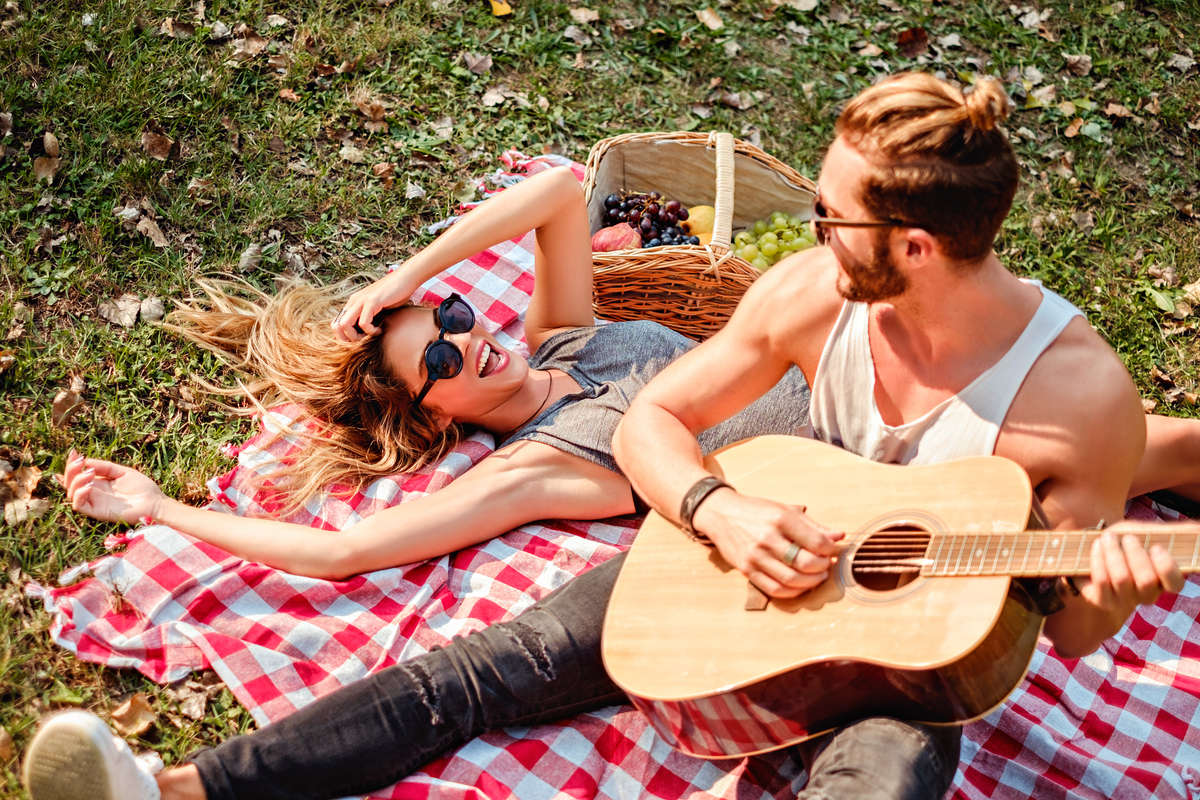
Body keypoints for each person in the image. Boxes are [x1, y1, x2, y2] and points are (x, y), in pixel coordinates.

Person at [22, 74, 1198, 800]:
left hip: (914, 637)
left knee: (884, 778)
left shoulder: (1078, 397)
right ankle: (175, 788)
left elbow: (1073, 625)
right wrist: (721, 510)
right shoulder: (807, 297)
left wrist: (1116, 589)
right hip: (736, 551)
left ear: (916, 248)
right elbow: (655, 420)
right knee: (487, 666)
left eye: (832, 213)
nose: (811, 225)